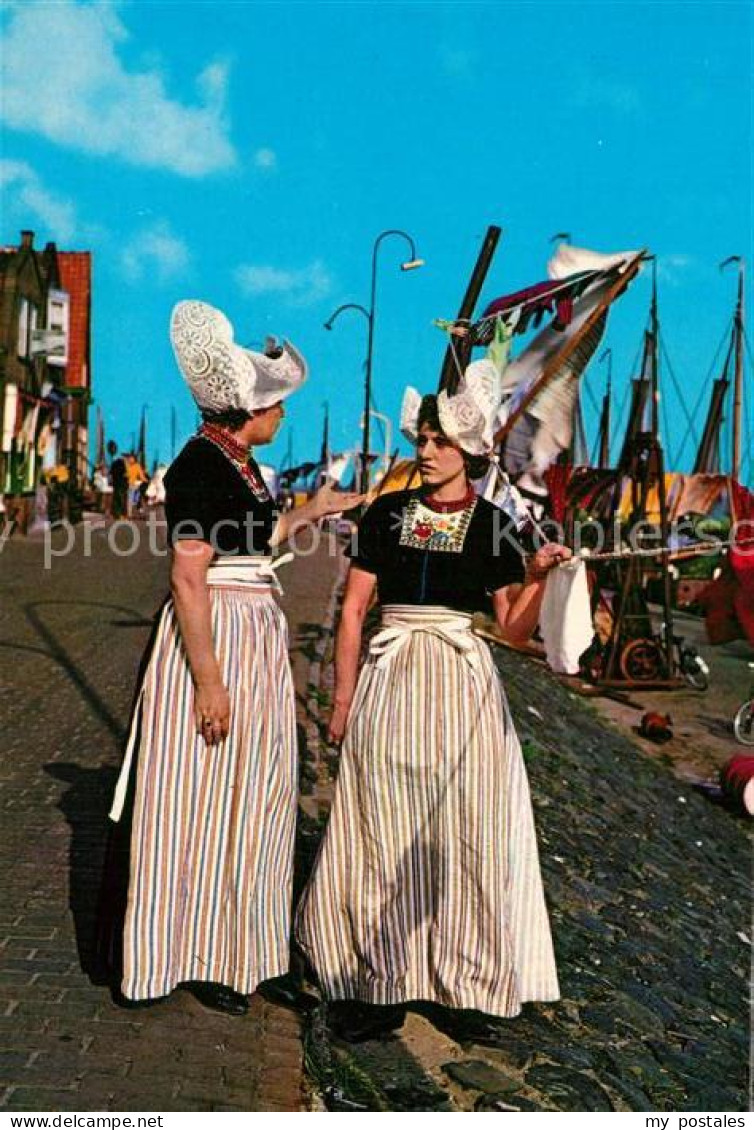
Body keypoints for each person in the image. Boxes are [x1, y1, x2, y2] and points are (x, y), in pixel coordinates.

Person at [100, 300, 362, 1015]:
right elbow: (189, 577)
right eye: (277, 408)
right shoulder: (198, 467)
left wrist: (313, 512)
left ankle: (251, 947)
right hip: (217, 636)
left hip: (256, 633)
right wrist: (208, 683)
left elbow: (257, 539)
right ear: (250, 409)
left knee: (260, 793)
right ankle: (195, 952)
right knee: (203, 797)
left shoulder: (241, 465)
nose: (283, 419)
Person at [296, 369, 570, 1043]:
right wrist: (341, 698)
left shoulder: (497, 526)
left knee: (466, 831)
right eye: (422, 436)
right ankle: (374, 984)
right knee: (378, 823)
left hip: (461, 687)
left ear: (470, 452)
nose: (424, 449)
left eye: (438, 440)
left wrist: (536, 578)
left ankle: (466, 985)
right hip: (391, 680)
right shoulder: (385, 514)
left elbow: (511, 630)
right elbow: (354, 610)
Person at [108, 441, 128, 520]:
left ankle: (118, 514)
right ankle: (119, 514)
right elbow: (124, 473)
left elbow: (112, 473)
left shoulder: (116, 462)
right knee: (120, 499)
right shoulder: (121, 462)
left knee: (118, 498)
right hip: (120, 483)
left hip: (119, 483)